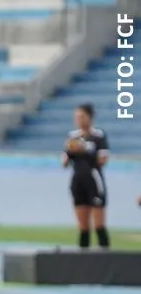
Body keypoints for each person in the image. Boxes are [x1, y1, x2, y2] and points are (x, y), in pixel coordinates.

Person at [62, 103, 110, 250]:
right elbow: (65, 161)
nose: (79, 119)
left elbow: (102, 159)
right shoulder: (72, 137)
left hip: (94, 180)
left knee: (98, 224)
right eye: (77, 116)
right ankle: (83, 260)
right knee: (83, 226)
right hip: (78, 181)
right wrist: (69, 152)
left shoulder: (98, 136)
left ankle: (106, 259)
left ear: (90, 117)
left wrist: (83, 148)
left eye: (82, 116)